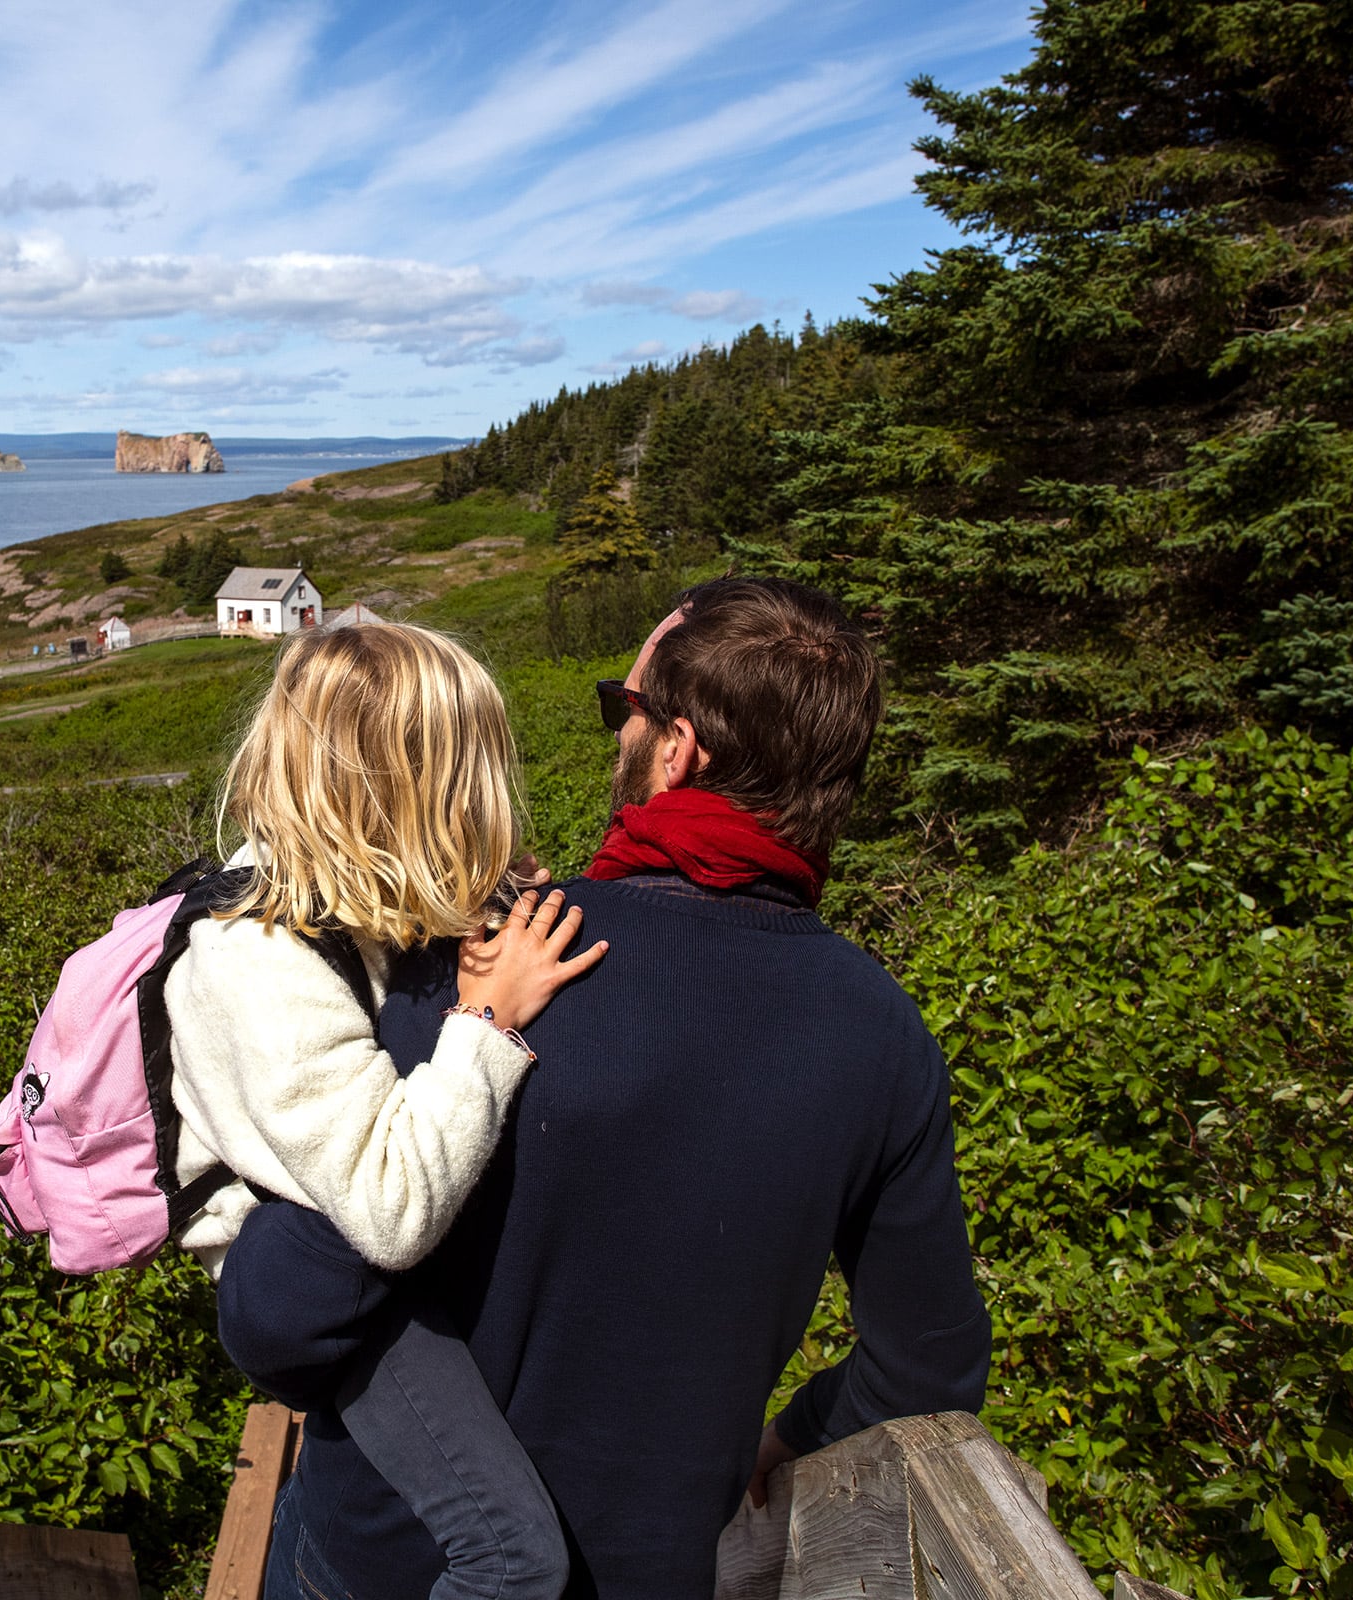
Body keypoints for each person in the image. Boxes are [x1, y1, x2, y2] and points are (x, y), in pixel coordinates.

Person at [219, 577, 992, 1600]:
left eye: (620, 710)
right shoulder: (884, 1035)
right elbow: (927, 1370)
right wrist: (785, 1438)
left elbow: (278, 1316)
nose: (611, 737)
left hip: (385, 1562)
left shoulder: (500, 965)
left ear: (677, 750)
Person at [166, 621, 607, 1600]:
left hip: (337, 1231)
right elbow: (392, 1207)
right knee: (512, 1560)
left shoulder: (332, 885)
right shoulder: (253, 962)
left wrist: (489, 901)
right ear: (409, 789)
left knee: (330, 1512)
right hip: (299, 1271)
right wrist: (488, 1019)